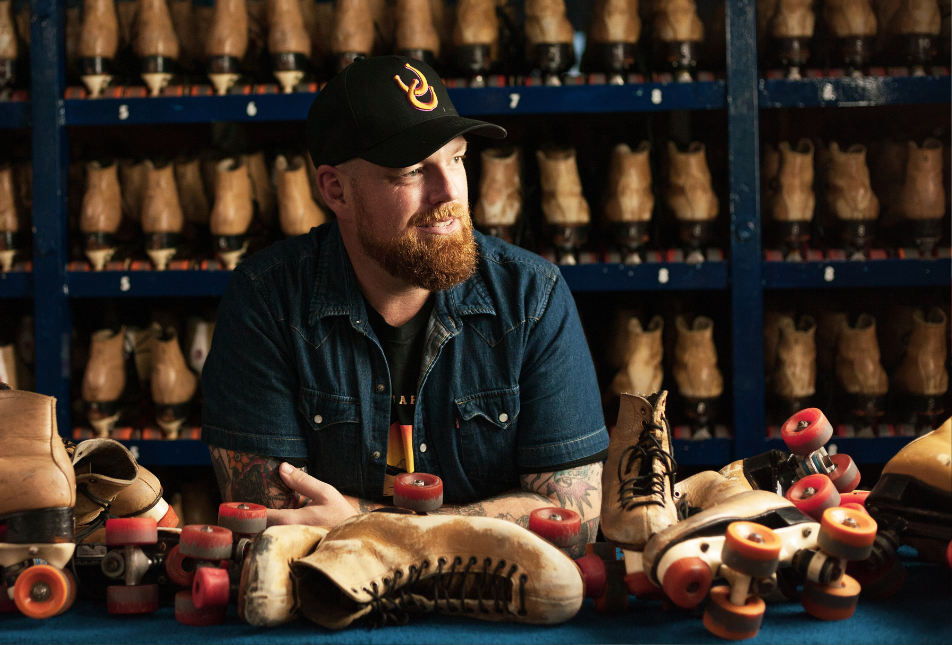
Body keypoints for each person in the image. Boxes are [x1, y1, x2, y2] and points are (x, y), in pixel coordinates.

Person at [201, 56, 608, 556]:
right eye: (412, 171)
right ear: (336, 190)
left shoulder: (532, 296)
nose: (448, 193)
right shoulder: (267, 301)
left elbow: (575, 518)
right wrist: (475, 527)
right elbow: (270, 521)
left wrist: (363, 524)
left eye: (456, 159)